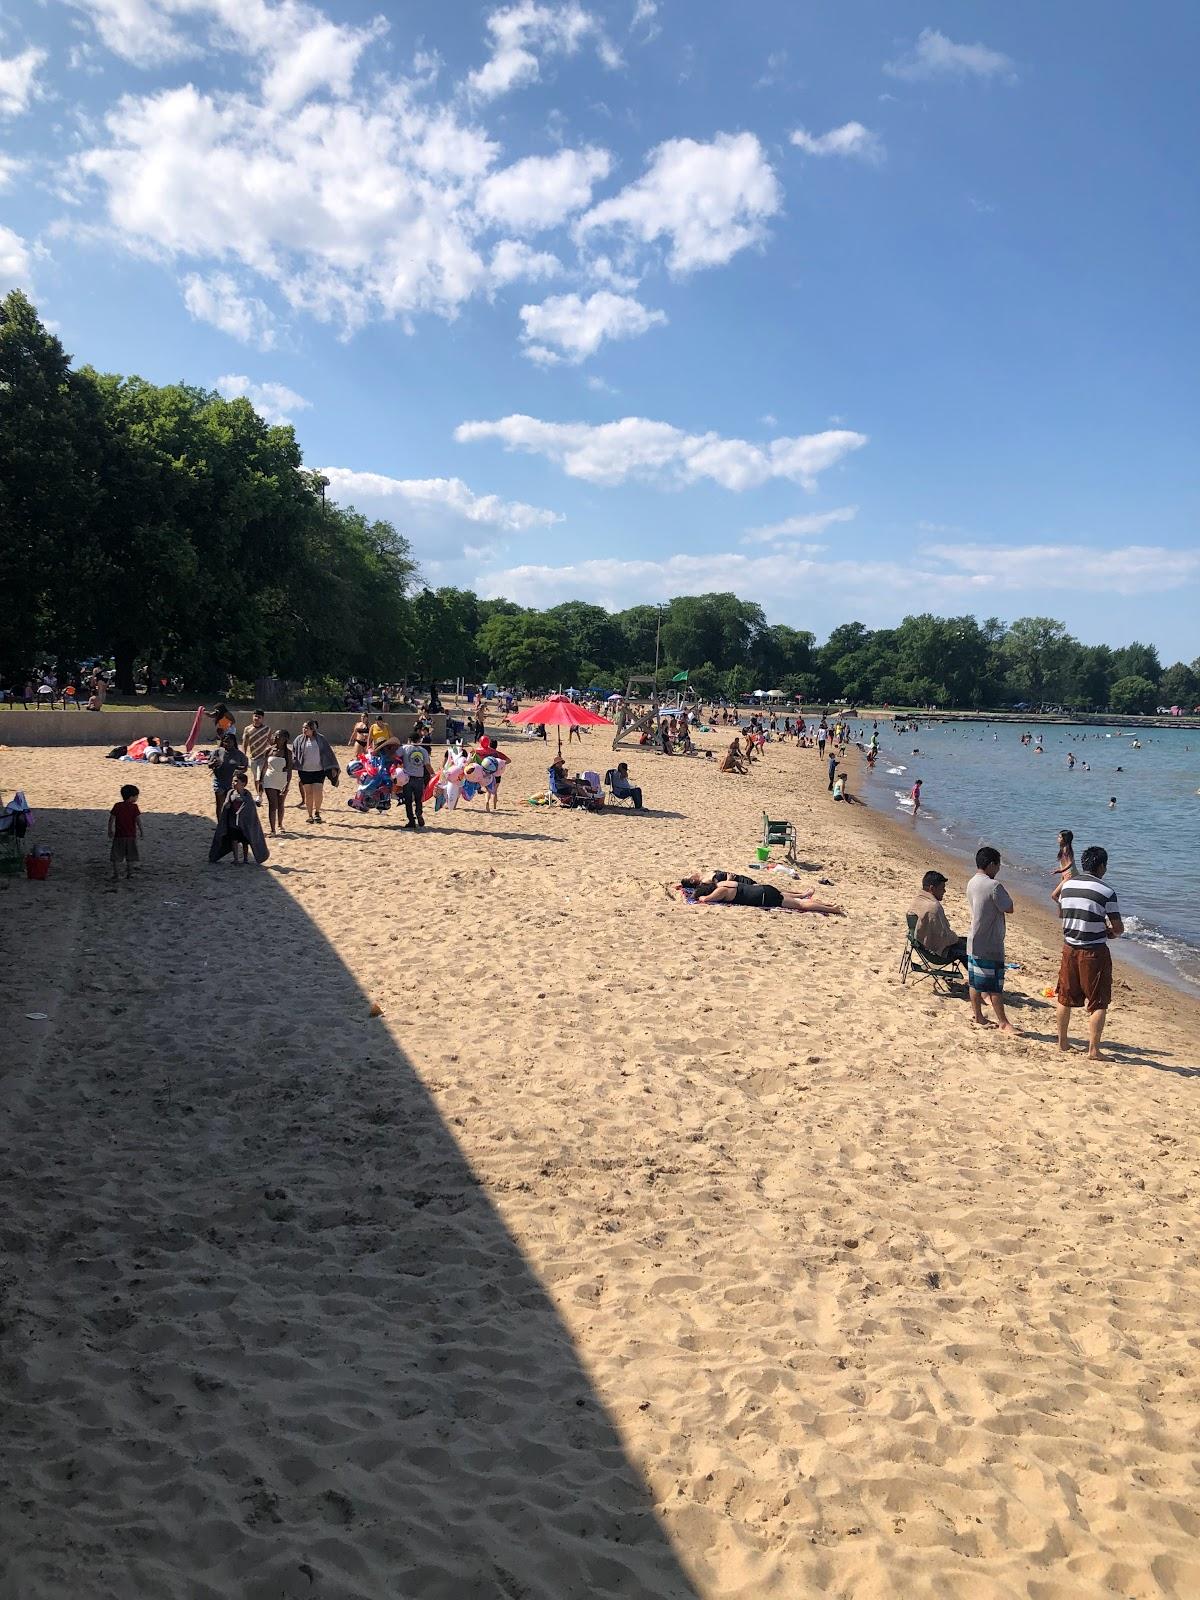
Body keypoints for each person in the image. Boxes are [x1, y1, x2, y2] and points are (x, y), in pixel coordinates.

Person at [1055, 845, 1123, 1061]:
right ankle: (1093, 1050)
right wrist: (1110, 933)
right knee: (1098, 1002)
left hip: (1069, 947)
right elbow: (1118, 927)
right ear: (1101, 866)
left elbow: (1061, 910)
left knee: (1064, 997)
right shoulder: (1106, 891)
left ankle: (1063, 1042)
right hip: (1094, 952)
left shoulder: (1067, 886)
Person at [966, 846, 1016, 1032]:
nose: (999, 869)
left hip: (974, 939)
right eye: (998, 865)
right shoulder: (993, 886)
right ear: (991, 864)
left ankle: (978, 1015)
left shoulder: (972, 882)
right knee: (994, 985)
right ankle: (1003, 1022)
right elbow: (1009, 907)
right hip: (990, 942)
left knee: (975, 982)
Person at [679, 872, 844, 915]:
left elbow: (706, 899)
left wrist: (700, 897)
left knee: (801, 905)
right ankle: (829, 905)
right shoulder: (722, 883)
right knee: (795, 900)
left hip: (764, 898)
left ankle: (832, 909)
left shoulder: (720, 891)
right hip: (764, 888)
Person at [209, 770, 270, 865]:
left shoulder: (247, 794)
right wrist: (227, 805)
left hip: (244, 823)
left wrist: (243, 808)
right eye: (233, 781)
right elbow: (226, 804)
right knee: (234, 840)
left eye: (236, 781)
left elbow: (250, 808)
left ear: (243, 783)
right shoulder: (230, 792)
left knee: (245, 842)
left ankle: (245, 858)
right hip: (233, 822)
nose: (233, 783)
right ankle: (236, 858)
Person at [908, 870, 967, 964]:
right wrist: (959, 940)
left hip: (923, 948)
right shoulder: (933, 907)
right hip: (936, 954)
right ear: (932, 888)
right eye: (942, 888)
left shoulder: (917, 901)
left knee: (965, 943)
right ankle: (978, 977)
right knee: (970, 949)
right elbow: (945, 936)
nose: (944, 891)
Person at [291, 719, 338, 824]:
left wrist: (333, 767)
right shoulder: (298, 740)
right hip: (304, 771)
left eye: (306, 728)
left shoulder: (321, 739)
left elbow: (328, 753)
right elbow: (294, 753)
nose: (304, 729)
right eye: (303, 727)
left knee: (318, 791)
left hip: (319, 770)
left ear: (312, 729)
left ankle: (317, 812)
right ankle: (310, 815)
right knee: (308, 793)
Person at [208, 733, 248, 822]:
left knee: (232, 804)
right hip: (219, 781)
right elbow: (209, 765)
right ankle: (220, 824)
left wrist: (241, 770)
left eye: (229, 742)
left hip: (233, 783)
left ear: (234, 742)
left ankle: (230, 824)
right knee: (220, 804)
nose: (227, 744)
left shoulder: (239, 755)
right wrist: (213, 763)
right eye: (225, 742)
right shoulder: (217, 752)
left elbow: (245, 767)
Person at [107, 782, 143, 882]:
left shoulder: (117, 806)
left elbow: (111, 819)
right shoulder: (134, 807)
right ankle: (130, 874)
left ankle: (116, 874)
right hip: (131, 836)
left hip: (119, 835)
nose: (137, 798)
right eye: (136, 796)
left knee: (116, 856)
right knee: (130, 856)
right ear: (131, 797)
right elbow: (138, 820)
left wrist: (110, 830)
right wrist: (141, 831)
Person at [261, 729, 293, 836]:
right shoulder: (269, 750)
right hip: (269, 778)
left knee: (280, 804)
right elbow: (264, 766)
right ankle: (272, 829)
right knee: (272, 804)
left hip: (282, 779)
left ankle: (280, 824)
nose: (274, 737)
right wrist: (261, 780)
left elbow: (289, 769)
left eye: (278, 736)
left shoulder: (288, 752)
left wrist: (287, 784)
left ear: (284, 739)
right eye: (274, 735)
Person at [398, 737, 434, 828]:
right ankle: (419, 813)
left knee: (408, 801)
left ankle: (411, 821)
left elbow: (395, 755)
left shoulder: (405, 748)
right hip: (419, 778)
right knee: (418, 800)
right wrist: (433, 774)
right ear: (419, 741)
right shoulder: (423, 751)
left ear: (409, 740)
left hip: (407, 779)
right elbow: (427, 765)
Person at [242, 708, 274, 796]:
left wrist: (271, 752)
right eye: (255, 716)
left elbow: (271, 742)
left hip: (263, 758)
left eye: (259, 717)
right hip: (252, 758)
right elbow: (245, 743)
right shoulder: (247, 729)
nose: (257, 718)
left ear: (262, 718)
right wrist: (243, 756)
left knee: (260, 777)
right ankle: (258, 794)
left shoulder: (267, 729)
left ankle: (259, 796)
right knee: (256, 778)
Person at [1050, 829, 1075, 904]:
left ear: (1065, 839)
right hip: (1066, 875)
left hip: (1070, 875)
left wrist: (1060, 871)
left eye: (1060, 837)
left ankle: (1064, 909)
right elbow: (1064, 863)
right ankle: (1063, 911)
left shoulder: (1066, 849)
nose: (1058, 838)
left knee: (1054, 895)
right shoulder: (1063, 848)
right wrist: (1062, 873)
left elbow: (1070, 863)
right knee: (1062, 895)